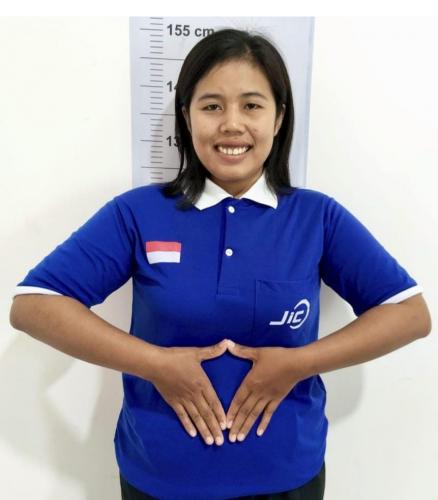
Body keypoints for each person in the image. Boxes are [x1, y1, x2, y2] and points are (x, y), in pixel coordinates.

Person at [9, 28, 431, 500]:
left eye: (251, 106)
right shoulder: (138, 213)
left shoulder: (317, 217)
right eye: (212, 106)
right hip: (160, 478)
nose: (232, 124)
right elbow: (34, 305)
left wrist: (297, 364)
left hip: (287, 477)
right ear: (186, 116)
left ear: (279, 118)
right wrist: (156, 364)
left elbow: (409, 314)